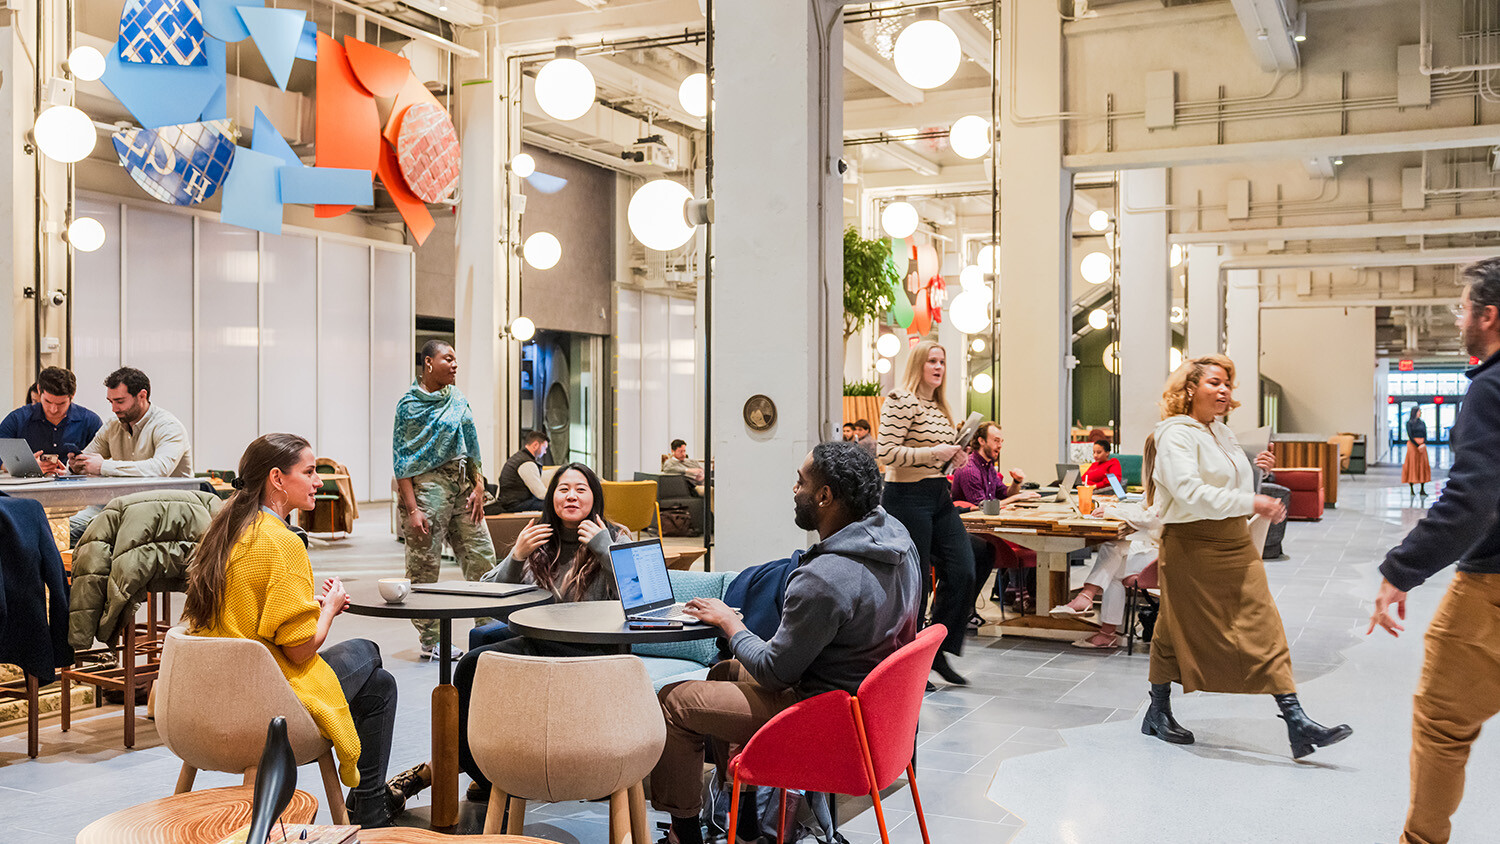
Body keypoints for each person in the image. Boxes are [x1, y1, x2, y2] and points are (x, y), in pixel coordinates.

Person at [649, 442, 921, 844]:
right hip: (869, 712)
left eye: (801, 482)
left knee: (675, 701)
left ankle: (684, 834)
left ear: (825, 496)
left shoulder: (825, 577)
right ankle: (740, 810)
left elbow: (775, 673)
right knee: (724, 671)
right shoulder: (899, 543)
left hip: (825, 721)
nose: (794, 490)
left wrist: (729, 622)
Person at [180, 434, 406, 827]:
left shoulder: (226, 531)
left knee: (379, 684)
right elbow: (301, 651)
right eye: (309, 471)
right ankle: (369, 809)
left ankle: (370, 806)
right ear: (277, 479)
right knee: (369, 653)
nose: (319, 481)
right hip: (265, 700)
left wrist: (305, 610)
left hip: (209, 697)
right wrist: (330, 609)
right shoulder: (282, 543)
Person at [1141, 354, 1351, 758]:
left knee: (1262, 622)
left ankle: (1296, 720)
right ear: (1189, 390)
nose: (1224, 391)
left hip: (1234, 542)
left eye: (1227, 385)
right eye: (1215, 383)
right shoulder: (1175, 434)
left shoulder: (1220, 432)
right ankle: (1159, 709)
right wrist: (1253, 497)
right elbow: (1189, 492)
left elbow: (1226, 486)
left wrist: (1259, 475)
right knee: (1172, 626)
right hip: (1193, 544)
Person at [1369, 261, 1500, 844]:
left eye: (1462, 308)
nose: (1458, 317)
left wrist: (1403, 568)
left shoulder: (1492, 386)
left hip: (1493, 587)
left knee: (1443, 723)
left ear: (1488, 316)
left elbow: (1475, 499)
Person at [453, 462, 630, 801]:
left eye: (581, 489)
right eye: (563, 489)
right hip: (545, 640)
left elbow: (641, 595)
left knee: (473, 664)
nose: (572, 496)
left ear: (595, 496)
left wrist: (603, 547)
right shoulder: (541, 538)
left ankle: (482, 768)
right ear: (552, 497)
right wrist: (517, 555)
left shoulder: (615, 536)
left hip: (593, 647)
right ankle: (484, 765)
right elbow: (488, 596)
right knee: (481, 641)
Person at [877, 339, 975, 686]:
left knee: (964, 569)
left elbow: (938, 456)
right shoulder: (901, 400)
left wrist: (955, 458)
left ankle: (937, 649)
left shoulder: (940, 405)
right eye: (932, 361)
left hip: (938, 494)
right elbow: (886, 452)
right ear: (918, 364)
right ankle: (908, 660)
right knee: (916, 582)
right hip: (906, 495)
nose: (938, 367)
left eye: (943, 362)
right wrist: (936, 452)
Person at [393, 340, 499, 660]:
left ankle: (489, 628)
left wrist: (479, 485)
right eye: (448, 359)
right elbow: (402, 461)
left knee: (483, 558)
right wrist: (413, 509)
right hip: (428, 492)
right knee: (425, 568)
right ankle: (431, 638)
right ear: (428, 363)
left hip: (465, 489)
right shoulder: (409, 406)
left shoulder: (457, 399)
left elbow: (472, 445)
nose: (454, 365)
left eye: (456, 359)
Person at [1052, 436, 1162, 649]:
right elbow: (1144, 508)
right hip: (1159, 548)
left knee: (1112, 558)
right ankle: (1106, 628)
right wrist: (1113, 510)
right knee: (1114, 550)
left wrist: (1112, 510)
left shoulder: (1170, 483)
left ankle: (1094, 608)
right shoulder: (1163, 481)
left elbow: (1153, 518)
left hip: (1166, 556)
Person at [67, 367, 192, 545]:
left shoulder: (168, 426)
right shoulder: (112, 426)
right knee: (59, 532)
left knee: (93, 537)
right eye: (110, 401)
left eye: (119, 401)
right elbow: (88, 456)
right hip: (119, 506)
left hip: (165, 509)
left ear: (142, 395)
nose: (113, 408)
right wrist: (74, 465)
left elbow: (159, 469)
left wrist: (104, 467)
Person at [950, 421, 1039, 621]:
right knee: (1028, 539)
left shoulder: (988, 466)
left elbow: (1003, 493)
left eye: (1001, 441)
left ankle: (1019, 590)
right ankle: (1017, 591)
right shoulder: (969, 469)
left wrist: (1016, 483)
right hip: (973, 533)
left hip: (988, 530)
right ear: (981, 441)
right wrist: (1017, 498)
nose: (1000, 445)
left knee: (1034, 539)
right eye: (996, 440)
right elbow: (982, 510)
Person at [0, 367, 102, 475]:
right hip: (29, 488)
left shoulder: (90, 421)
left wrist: (72, 470)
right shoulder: (17, 419)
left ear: (72, 395)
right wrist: (26, 467)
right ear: (39, 390)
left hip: (77, 488)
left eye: (61, 404)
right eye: (48, 401)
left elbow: (103, 462)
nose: (53, 410)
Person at [494, 429, 550, 513]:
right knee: (552, 505)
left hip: (508, 503)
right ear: (535, 445)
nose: (545, 452)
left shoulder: (518, 458)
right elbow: (540, 493)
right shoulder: (527, 463)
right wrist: (557, 496)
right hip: (515, 505)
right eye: (544, 448)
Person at [1403, 406, 1432, 497]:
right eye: (1419, 411)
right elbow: (1410, 435)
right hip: (1413, 446)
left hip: (1422, 446)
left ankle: (1422, 489)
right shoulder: (1409, 423)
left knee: (1422, 466)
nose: (1420, 413)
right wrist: (1417, 445)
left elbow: (1425, 434)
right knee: (1412, 466)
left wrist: (1423, 444)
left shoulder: (1422, 423)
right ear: (1414, 412)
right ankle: (1412, 489)